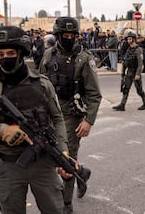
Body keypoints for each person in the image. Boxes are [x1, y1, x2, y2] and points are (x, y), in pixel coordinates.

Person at [0, 26, 74, 214]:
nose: (6, 57)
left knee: (55, 210)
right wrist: (1, 131)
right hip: (9, 165)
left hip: (44, 163)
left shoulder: (43, 84)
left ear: (21, 53)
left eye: (11, 52)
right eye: (1, 53)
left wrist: (63, 151)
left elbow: (58, 118)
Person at [39, 17, 102, 213]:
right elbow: (39, 84)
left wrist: (89, 121)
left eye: (71, 35)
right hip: (49, 114)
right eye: (64, 35)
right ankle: (81, 172)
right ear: (57, 36)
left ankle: (66, 204)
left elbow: (94, 94)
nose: (68, 38)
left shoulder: (85, 58)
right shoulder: (48, 55)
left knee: (66, 159)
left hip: (72, 114)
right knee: (49, 154)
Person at [113, 30, 145, 111]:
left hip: (135, 71)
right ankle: (122, 105)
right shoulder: (129, 49)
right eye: (127, 39)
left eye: (130, 39)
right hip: (129, 72)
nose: (128, 40)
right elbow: (125, 61)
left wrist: (138, 74)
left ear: (133, 39)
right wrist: (123, 72)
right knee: (126, 89)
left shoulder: (138, 49)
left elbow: (140, 63)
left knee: (139, 90)